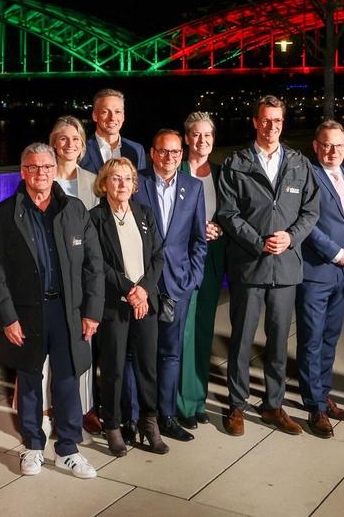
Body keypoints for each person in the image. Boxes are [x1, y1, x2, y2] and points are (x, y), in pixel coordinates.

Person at [0, 143, 104, 478]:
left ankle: (67, 450)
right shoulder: (6, 214)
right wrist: (7, 317)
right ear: (23, 172)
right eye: (34, 167)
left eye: (47, 167)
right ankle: (33, 446)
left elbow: (94, 266)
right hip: (26, 315)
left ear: (55, 169)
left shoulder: (75, 210)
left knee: (67, 380)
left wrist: (92, 311)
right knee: (30, 380)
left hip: (69, 312)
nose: (42, 174)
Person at [217, 96, 319, 437]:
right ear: (255, 122)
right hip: (250, 265)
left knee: (277, 342)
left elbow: (310, 211)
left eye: (277, 120)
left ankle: (273, 405)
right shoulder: (237, 163)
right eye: (266, 120)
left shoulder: (299, 164)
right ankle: (236, 404)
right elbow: (228, 213)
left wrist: (290, 238)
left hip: (286, 267)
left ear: (282, 123)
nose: (271, 126)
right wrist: (258, 241)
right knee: (243, 339)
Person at [89, 157, 167, 456]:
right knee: (113, 369)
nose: (122, 184)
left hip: (145, 303)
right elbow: (98, 263)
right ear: (104, 183)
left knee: (148, 367)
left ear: (134, 184)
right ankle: (113, 425)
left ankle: (149, 422)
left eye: (127, 178)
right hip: (114, 305)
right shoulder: (95, 218)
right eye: (115, 178)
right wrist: (129, 291)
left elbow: (158, 256)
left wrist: (144, 290)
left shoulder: (144, 214)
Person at [133, 129, 207, 442]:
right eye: (163, 152)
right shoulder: (136, 182)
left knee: (171, 353)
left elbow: (198, 239)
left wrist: (193, 278)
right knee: (138, 354)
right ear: (152, 153)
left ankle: (166, 416)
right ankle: (137, 416)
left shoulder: (193, 187)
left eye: (176, 152)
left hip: (178, 285)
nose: (170, 158)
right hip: (141, 284)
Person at [297, 120, 344, 438]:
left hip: (342, 274)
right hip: (316, 272)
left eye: (339, 145)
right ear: (316, 146)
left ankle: (323, 393)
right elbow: (305, 223)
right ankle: (314, 407)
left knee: (330, 338)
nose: (333, 150)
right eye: (327, 144)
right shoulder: (308, 176)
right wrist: (336, 253)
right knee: (311, 339)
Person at [174, 112, 225, 429]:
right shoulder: (173, 169)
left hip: (210, 261)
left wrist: (218, 227)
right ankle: (175, 402)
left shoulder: (221, 174)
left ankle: (196, 401)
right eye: (196, 134)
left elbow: (231, 213)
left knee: (202, 331)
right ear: (186, 137)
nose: (202, 140)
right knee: (178, 331)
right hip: (179, 262)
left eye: (207, 135)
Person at [79, 89, 146, 174]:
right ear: (95, 116)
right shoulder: (81, 149)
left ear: (123, 116)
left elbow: (139, 185)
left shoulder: (137, 150)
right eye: (105, 112)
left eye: (117, 112)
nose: (112, 118)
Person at [51, 116, 100, 209]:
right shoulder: (43, 179)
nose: (70, 144)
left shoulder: (93, 182)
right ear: (54, 143)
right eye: (63, 139)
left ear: (82, 144)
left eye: (75, 139)